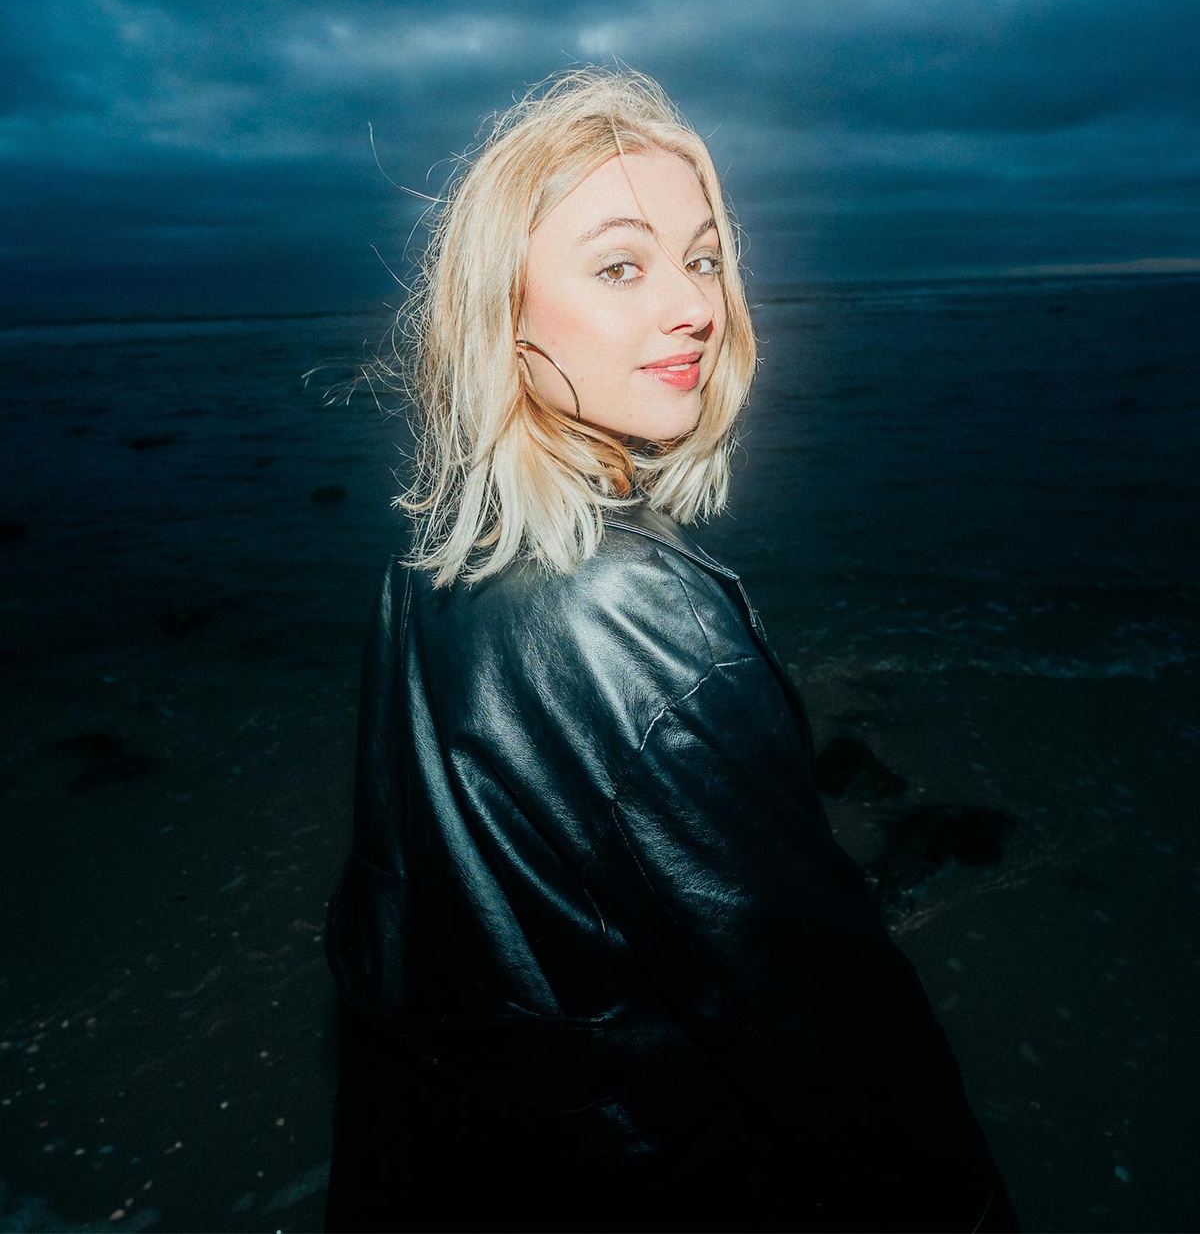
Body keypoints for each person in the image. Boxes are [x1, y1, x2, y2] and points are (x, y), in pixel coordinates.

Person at [323, 68, 1017, 1232]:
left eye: (702, 259)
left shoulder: (435, 557)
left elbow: (399, 928)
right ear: (503, 310)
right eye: (619, 266)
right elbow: (846, 1052)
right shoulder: (639, 626)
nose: (696, 305)